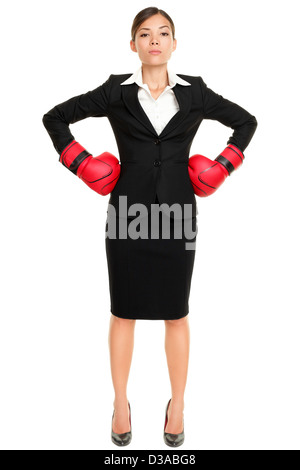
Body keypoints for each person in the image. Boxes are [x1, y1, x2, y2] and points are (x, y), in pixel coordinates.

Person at [42, 6, 257, 447]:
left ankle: (177, 404)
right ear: (133, 44)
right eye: (145, 33)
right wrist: (80, 163)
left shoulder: (196, 93)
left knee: (176, 314)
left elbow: (246, 122)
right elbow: (54, 117)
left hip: (179, 216)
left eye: (163, 33)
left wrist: (224, 165)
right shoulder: (114, 93)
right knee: (123, 312)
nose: (154, 40)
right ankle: (121, 403)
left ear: (174, 44)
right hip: (126, 215)